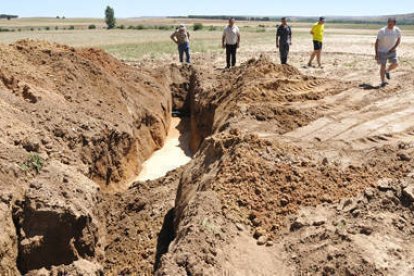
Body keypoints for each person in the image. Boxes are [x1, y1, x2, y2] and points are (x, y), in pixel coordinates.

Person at [375, 18, 402, 87]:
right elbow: (377, 42)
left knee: (395, 64)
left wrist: (394, 48)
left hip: (392, 51)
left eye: (391, 23)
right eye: (388, 23)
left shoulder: (397, 30)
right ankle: (383, 82)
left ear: (394, 24)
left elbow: (398, 40)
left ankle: (387, 71)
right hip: (382, 51)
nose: (389, 24)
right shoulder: (382, 31)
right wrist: (376, 54)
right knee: (382, 66)